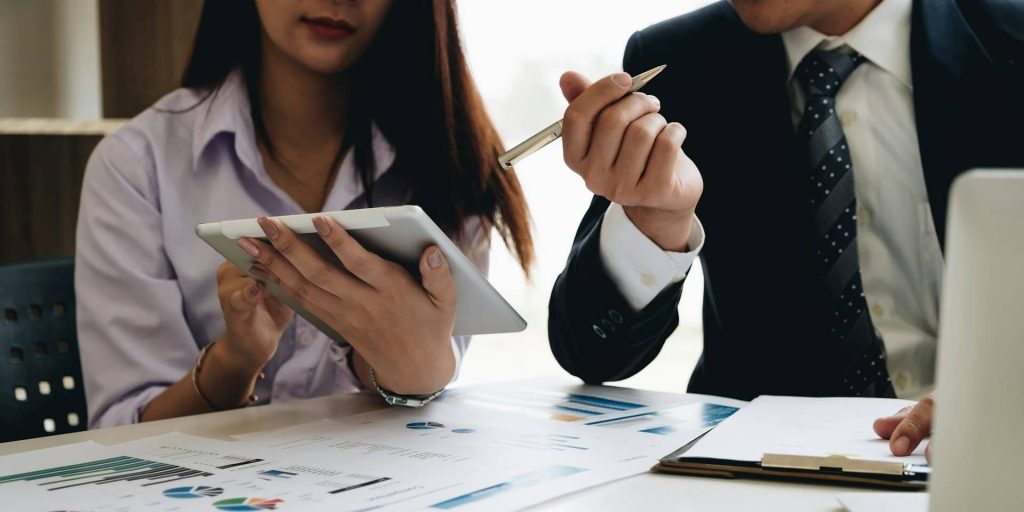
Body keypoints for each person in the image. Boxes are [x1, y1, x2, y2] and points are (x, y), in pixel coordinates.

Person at [547, 0, 1023, 459]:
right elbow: (592, 356)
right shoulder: (680, 59)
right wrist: (654, 222)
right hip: (765, 475)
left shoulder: (1010, 34)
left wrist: (1004, 392)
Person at [77, 0, 532, 427]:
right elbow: (122, 428)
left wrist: (407, 366)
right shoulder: (139, 164)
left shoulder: (454, 161)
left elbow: (424, 386)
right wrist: (234, 361)